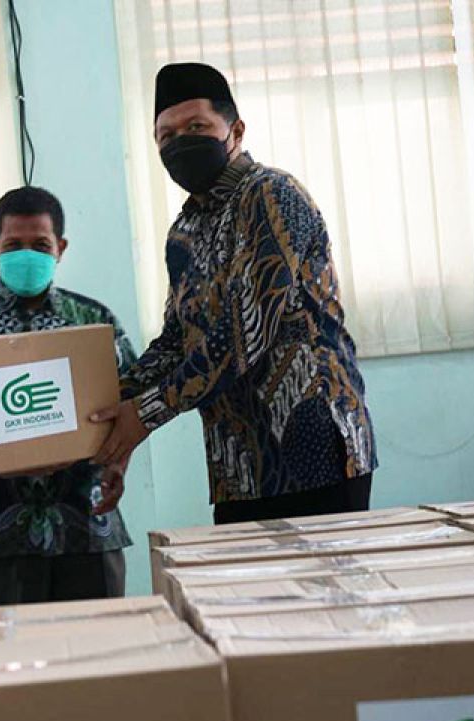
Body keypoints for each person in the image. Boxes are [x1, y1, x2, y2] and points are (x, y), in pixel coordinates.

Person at [93, 63, 377, 525]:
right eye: (166, 135)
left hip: (315, 451)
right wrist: (106, 407)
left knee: (322, 594)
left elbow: (246, 334)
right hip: (239, 464)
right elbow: (176, 342)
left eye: (196, 127)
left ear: (236, 130)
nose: (180, 142)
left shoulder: (272, 195)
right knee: (249, 597)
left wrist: (141, 415)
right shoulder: (184, 232)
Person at [0, 187, 136, 607]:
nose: (28, 254)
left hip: (87, 524)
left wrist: (119, 463)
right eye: (13, 245)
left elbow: (132, 403)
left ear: (60, 248)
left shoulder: (94, 322)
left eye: (40, 244)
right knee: (3, 666)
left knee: (104, 660)